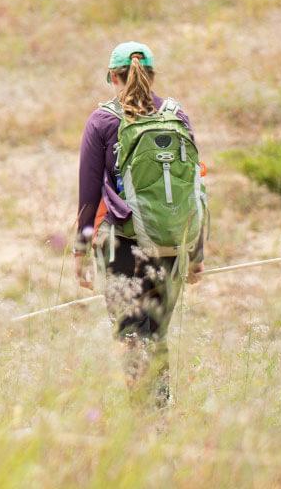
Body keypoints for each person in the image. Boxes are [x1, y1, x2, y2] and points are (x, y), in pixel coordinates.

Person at [73, 41, 205, 407]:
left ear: (112, 76)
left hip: (124, 246)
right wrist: (195, 253)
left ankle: (145, 421)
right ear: (152, 75)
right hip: (171, 244)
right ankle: (159, 415)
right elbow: (195, 189)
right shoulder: (178, 116)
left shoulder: (103, 120)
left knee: (131, 334)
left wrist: (80, 252)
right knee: (156, 335)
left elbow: (88, 196)